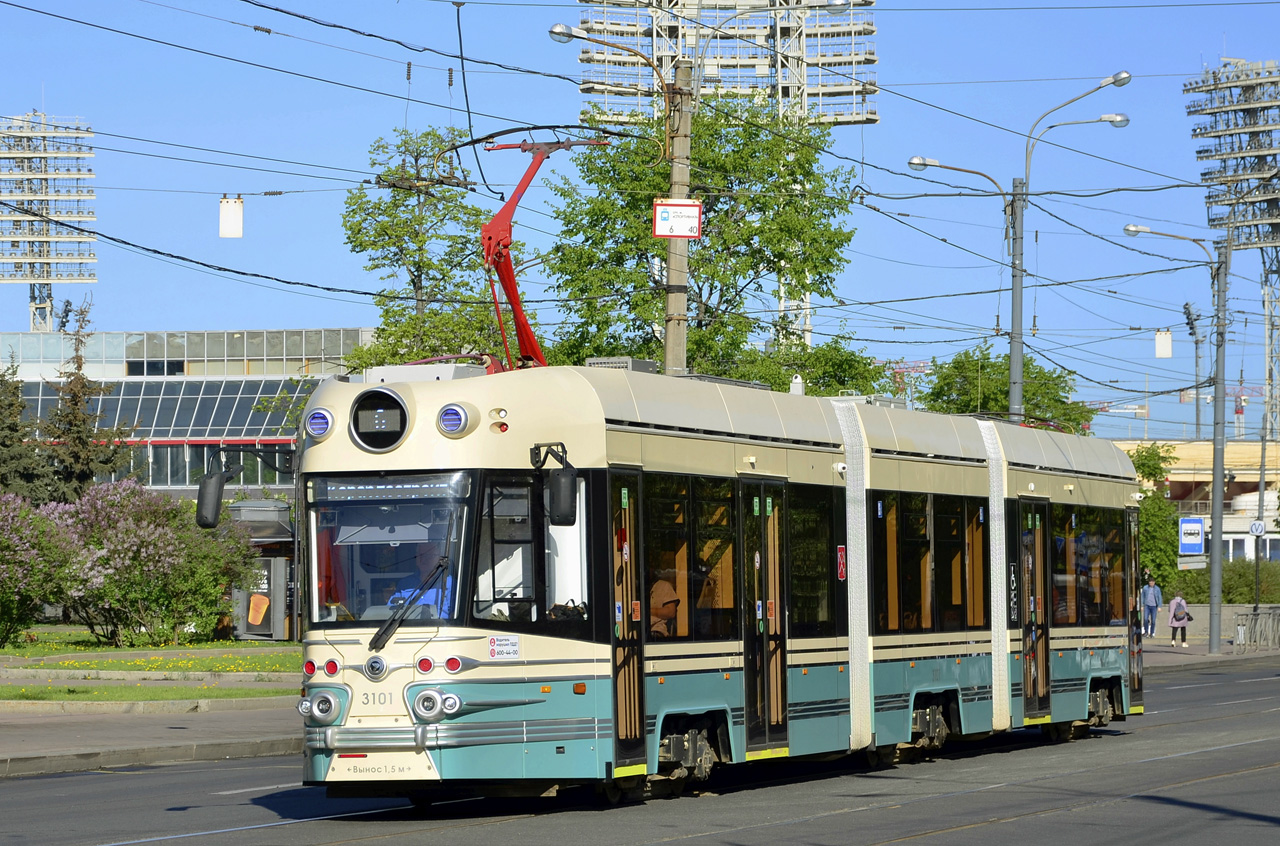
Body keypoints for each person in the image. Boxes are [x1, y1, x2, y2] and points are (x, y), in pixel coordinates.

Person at [388, 536, 453, 618]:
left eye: (429, 556)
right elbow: (390, 611)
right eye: (421, 555)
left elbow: (455, 616)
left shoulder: (450, 583)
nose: (424, 560)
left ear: (439, 558)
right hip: (407, 628)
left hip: (440, 628)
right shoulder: (404, 584)